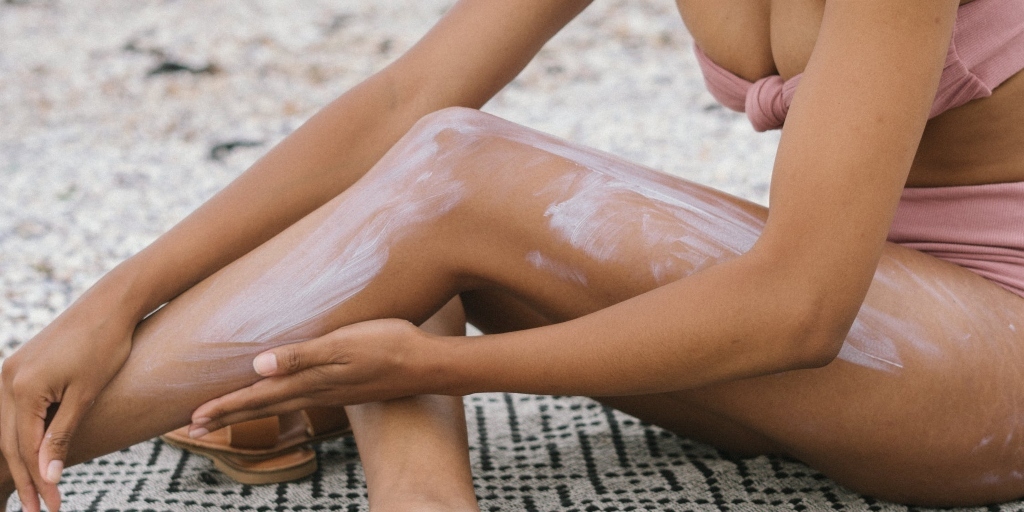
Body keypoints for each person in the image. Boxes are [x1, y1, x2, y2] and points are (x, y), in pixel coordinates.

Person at [2, 0, 1023, 510]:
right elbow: (406, 98)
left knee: (461, 179)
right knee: (408, 199)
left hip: (982, 369)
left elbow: (801, 305)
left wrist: (448, 367)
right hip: (859, 327)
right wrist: (111, 295)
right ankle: (423, 496)